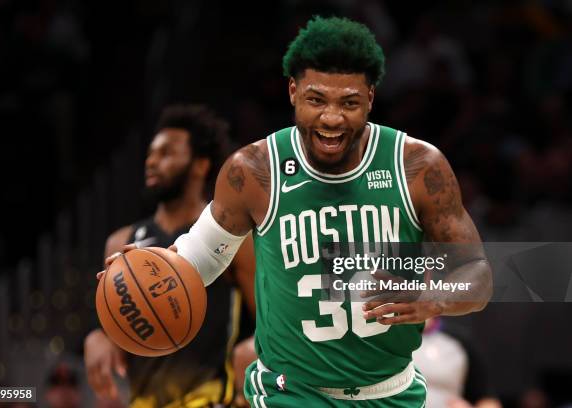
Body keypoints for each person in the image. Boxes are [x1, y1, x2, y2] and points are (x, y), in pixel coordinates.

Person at [106, 16, 492, 407]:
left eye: (349, 103)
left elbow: (477, 276)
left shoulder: (418, 166)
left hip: (392, 392)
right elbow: (198, 259)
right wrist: (140, 273)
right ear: (293, 91)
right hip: (287, 393)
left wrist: (433, 295)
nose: (331, 118)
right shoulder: (254, 171)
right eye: (316, 99)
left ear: (371, 98)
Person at [86, 104, 256, 407]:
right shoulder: (122, 241)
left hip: (212, 399)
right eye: (150, 154)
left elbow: (271, 319)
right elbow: (125, 326)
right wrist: (99, 336)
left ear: (200, 165)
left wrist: (254, 350)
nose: (151, 162)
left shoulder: (231, 236)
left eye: (165, 154)